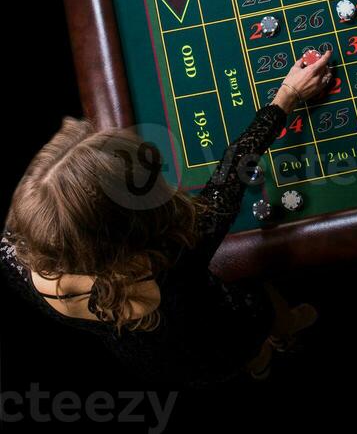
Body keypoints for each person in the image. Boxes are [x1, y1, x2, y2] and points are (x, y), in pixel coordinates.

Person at [0, 50, 332, 386]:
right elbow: (231, 173)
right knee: (258, 312)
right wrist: (287, 95)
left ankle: (259, 363)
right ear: (128, 225)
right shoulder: (176, 255)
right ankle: (282, 332)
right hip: (216, 336)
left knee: (241, 359)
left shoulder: (14, 256)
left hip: (156, 362)